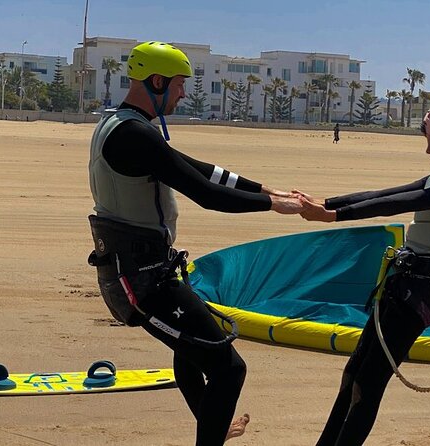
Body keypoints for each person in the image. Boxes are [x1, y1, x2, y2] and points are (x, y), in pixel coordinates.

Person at [86, 41, 303, 445]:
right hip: (140, 282)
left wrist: (264, 187)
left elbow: (197, 168)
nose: (184, 94)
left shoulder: (124, 124)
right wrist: (273, 205)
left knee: (192, 357)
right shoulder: (134, 135)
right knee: (228, 367)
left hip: (148, 270)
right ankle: (214, 432)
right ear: (156, 81)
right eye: (180, 85)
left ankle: (214, 426)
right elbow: (206, 194)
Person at [299, 100, 430, 446]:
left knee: (367, 385)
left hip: (417, 300)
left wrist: (332, 218)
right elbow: (388, 193)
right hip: (399, 290)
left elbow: (396, 205)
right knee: (352, 375)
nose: (428, 149)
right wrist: (326, 203)